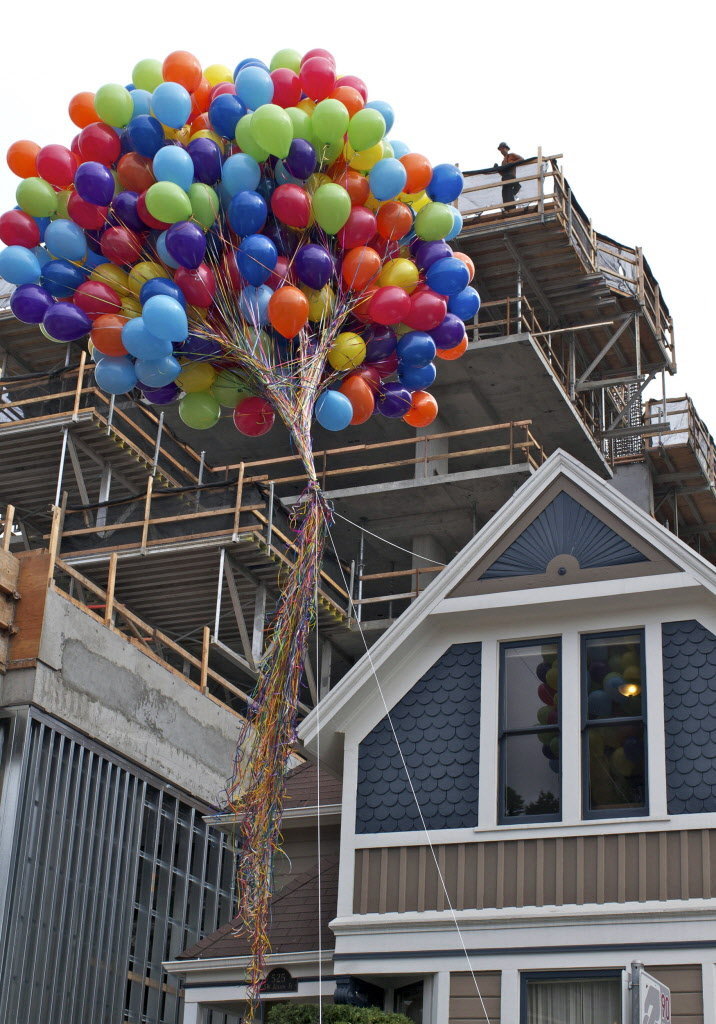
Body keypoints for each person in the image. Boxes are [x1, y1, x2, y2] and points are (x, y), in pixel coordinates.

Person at [495, 142, 523, 214]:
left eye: (503, 148)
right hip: (505, 178)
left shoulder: (512, 155)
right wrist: (497, 169)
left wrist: (513, 163)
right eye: (500, 149)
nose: (502, 150)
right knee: (505, 193)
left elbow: (522, 159)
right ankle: (507, 209)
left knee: (509, 192)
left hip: (511, 177)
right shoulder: (503, 162)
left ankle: (511, 208)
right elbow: (503, 173)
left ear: (507, 149)